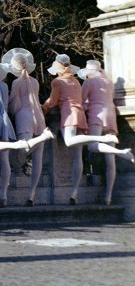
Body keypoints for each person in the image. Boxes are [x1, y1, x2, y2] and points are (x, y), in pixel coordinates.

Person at [0, 54, 54, 207]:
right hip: (12, 120)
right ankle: (5, 195)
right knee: (6, 160)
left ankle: (19, 144)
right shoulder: (7, 85)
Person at [42, 54, 120, 205]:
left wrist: (43, 108)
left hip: (72, 115)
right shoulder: (77, 81)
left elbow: (52, 101)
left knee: (70, 142)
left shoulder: (58, 81)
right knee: (80, 157)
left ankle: (101, 139)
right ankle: (79, 192)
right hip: (90, 117)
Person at [79, 60, 134, 204]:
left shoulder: (89, 82)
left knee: (92, 145)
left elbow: (81, 100)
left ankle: (122, 153)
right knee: (110, 160)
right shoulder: (109, 82)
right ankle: (108, 195)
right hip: (111, 115)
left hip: (96, 116)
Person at [2, 48, 51, 206]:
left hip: (25, 117)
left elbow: (13, 105)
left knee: (23, 148)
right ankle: (32, 194)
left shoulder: (16, 82)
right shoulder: (35, 81)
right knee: (38, 158)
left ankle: (20, 190)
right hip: (39, 116)